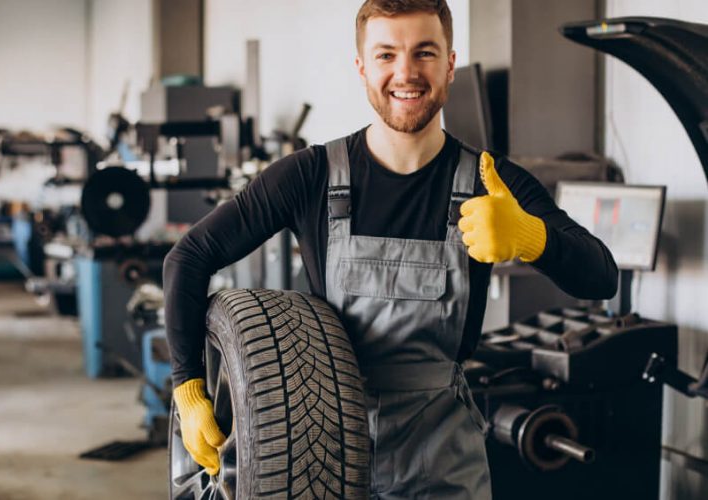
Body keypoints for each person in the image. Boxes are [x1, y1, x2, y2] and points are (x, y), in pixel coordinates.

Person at [163, 0, 618, 497]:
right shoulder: (310, 175)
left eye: (424, 52)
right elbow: (188, 258)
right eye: (386, 55)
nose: (406, 72)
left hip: (443, 461)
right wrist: (188, 387)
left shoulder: (493, 181)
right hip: (319, 459)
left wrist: (532, 237)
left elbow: (600, 276)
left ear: (449, 64)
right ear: (362, 67)